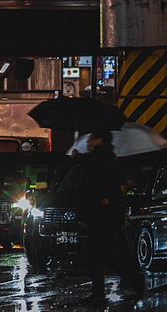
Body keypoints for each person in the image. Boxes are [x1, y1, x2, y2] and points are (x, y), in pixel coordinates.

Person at [61, 130, 144, 307]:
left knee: (103, 254)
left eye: (92, 138)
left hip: (102, 215)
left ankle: (134, 282)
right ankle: (102, 292)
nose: (89, 141)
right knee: (100, 255)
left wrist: (77, 157)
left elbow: (95, 170)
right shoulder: (102, 156)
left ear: (100, 140)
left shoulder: (102, 156)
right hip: (100, 214)